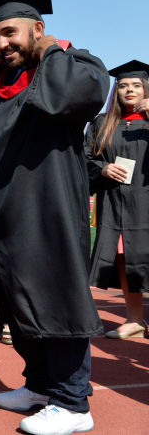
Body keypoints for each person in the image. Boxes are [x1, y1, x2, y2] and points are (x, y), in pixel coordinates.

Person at [0, 0, 109, 435]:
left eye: (11, 32)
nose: (1, 43)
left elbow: (73, 98)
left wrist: (48, 50)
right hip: (1, 208)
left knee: (56, 297)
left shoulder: (72, 63)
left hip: (47, 205)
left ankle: (72, 401)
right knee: (15, 295)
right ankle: (41, 385)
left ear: (38, 29)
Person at [85, 60, 149, 339]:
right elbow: (84, 159)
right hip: (116, 202)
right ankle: (135, 319)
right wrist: (103, 169)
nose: (130, 90)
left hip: (146, 200)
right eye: (123, 85)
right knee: (125, 258)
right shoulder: (102, 123)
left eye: (136, 85)